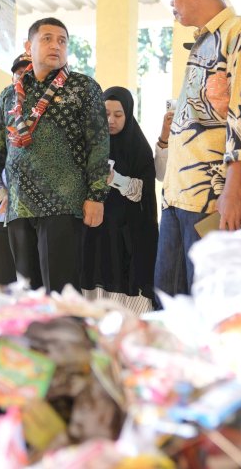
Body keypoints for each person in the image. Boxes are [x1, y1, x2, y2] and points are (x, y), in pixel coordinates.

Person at [154, 0, 241, 298]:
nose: (172, 1)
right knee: (169, 305)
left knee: (210, 307)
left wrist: (233, 192)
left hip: (211, 199)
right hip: (177, 197)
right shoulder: (202, 41)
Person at [0, 17, 109, 293]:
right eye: (47, 38)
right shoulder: (11, 95)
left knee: (61, 293)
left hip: (64, 205)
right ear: (28, 46)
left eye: (62, 40)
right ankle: (32, 339)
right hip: (19, 207)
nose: (55, 46)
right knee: (25, 295)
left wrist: (97, 196)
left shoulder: (84, 88)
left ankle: (66, 337)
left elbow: (99, 145)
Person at [81, 87, 157, 313]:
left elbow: (142, 191)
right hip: (93, 234)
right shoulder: (88, 144)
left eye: (118, 115)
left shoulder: (138, 147)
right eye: (105, 114)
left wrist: (115, 179)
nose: (111, 120)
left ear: (129, 115)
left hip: (126, 238)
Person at [0, 54, 31, 285]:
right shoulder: (3, 114)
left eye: (28, 73)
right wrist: (4, 196)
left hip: (34, 220)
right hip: (3, 216)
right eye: (18, 74)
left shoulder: (50, 116)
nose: (23, 78)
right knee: (3, 287)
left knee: (31, 288)